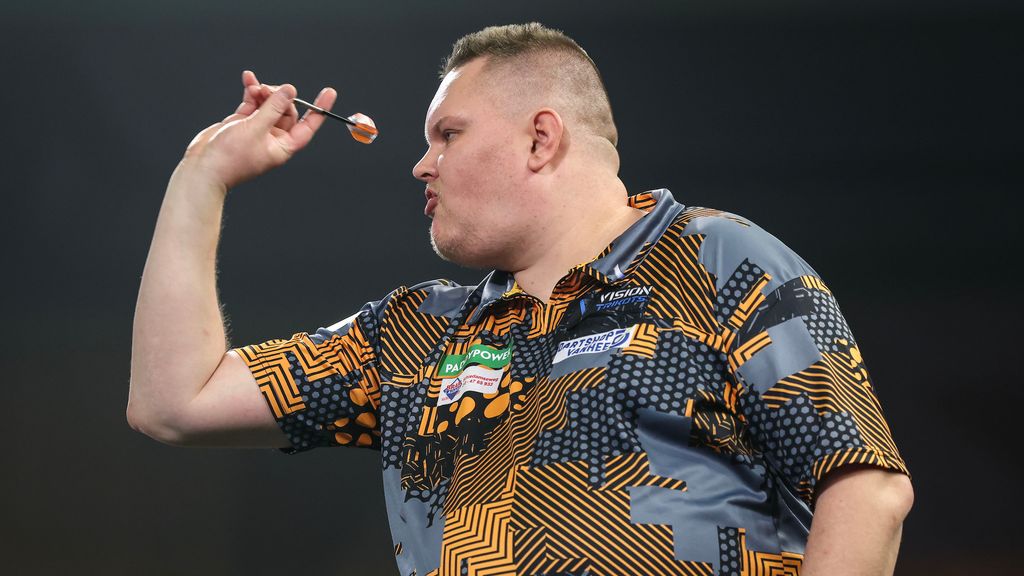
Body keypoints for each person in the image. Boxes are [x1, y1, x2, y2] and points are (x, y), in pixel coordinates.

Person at [129, 23, 913, 576]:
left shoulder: (715, 258)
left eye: (448, 134)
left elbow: (865, 489)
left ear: (541, 138)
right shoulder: (414, 334)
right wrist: (201, 178)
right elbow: (174, 402)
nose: (421, 166)